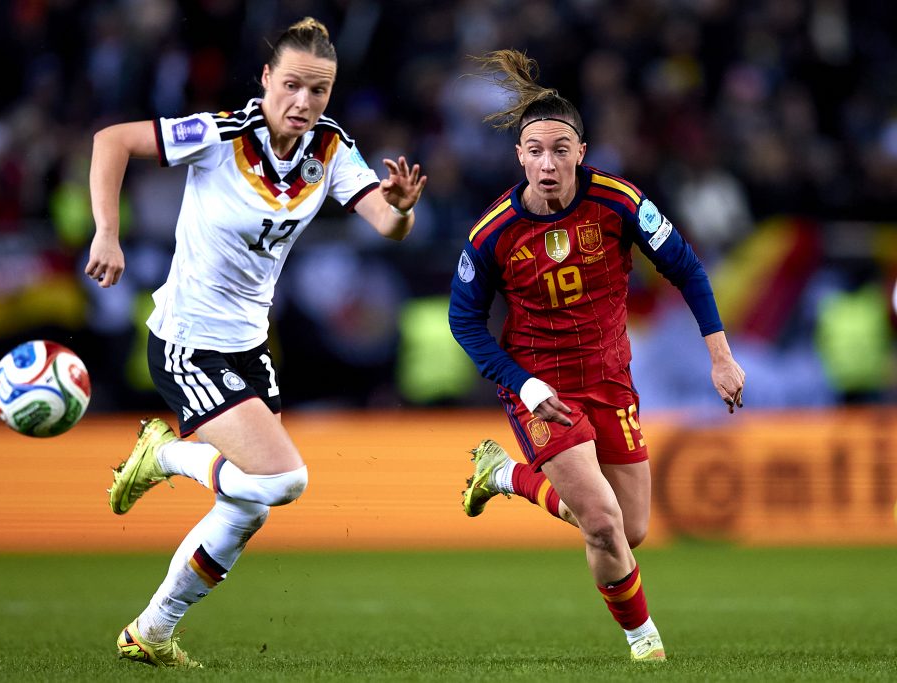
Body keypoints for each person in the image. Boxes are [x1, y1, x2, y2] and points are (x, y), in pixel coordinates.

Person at [85, 17, 426, 668]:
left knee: (247, 508)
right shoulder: (218, 135)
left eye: (319, 91)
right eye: (292, 85)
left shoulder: (329, 149)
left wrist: (402, 206)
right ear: (266, 80)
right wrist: (107, 231)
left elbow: (385, 222)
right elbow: (110, 142)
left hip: (249, 346)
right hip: (189, 340)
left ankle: (152, 630)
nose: (304, 102)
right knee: (284, 479)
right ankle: (164, 456)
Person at [449, 50, 745, 663]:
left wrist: (720, 357)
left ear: (582, 152)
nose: (548, 163)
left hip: (610, 379)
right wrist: (522, 384)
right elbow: (464, 321)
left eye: (561, 149)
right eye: (535, 150)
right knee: (604, 526)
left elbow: (687, 269)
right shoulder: (491, 234)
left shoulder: (620, 203)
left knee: (629, 529)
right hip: (540, 388)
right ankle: (647, 646)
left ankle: (504, 475)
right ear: (519, 157)